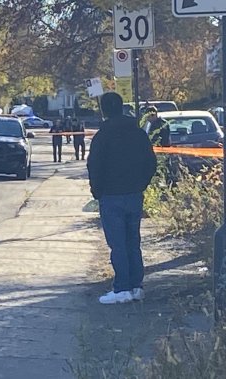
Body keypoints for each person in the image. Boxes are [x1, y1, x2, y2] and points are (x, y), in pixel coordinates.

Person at [87, 92, 157, 305]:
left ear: (105, 110)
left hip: (111, 195)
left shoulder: (103, 135)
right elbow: (151, 162)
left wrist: (97, 190)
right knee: (133, 241)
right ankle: (136, 286)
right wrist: (141, 184)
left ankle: (122, 288)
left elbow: (94, 166)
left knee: (118, 244)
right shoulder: (137, 133)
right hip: (134, 194)